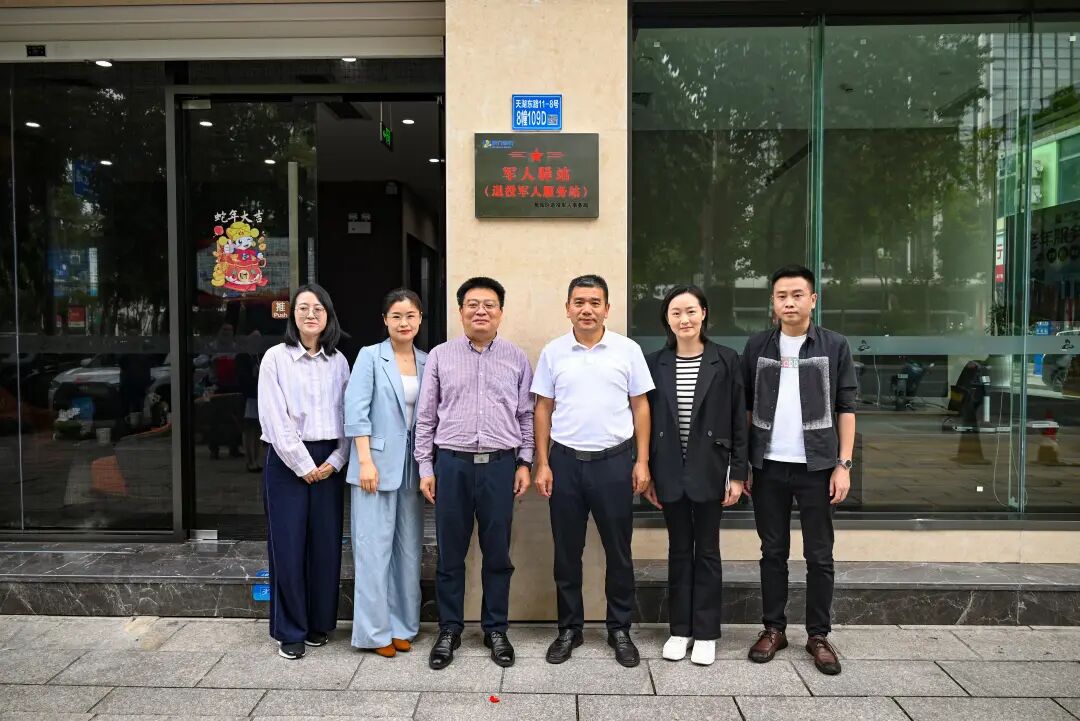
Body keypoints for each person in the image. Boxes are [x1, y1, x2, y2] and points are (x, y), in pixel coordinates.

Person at [532, 274, 654, 668]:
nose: (587, 309)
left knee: (618, 552)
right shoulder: (553, 352)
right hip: (565, 463)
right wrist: (542, 462)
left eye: (595, 302)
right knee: (567, 553)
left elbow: (641, 406)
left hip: (614, 463)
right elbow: (543, 408)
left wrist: (642, 460)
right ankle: (570, 629)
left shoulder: (627, 350)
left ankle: (620, 629)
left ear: (607, 308)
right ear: (568, 308)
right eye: (580, 302)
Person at [414, 277, 534, 670]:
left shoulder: (516, 358)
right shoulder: (440, 356)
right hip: (452, 466)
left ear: (501, 311)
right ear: (460, 310)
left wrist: (525, 462)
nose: (480, 311)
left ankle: (495, 629)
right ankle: (449, 629)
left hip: (500, 466)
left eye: (489, 304)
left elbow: (526, 416)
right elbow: (426, 417)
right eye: (472, 304)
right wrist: (426, 467)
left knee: (497, 553)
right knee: (450, 554)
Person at [742, 264, 857, 676]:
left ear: (812, 299)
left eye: (796, 295)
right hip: (769, 466)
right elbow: (747, 407)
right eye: (781, 296)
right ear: (773, 303)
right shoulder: (757, 346)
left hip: (818, 467)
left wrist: (843, 464)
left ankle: (818, 635)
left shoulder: (834, 345)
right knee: (772, 552)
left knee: (819, 554)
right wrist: (746, 463)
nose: (788, 302)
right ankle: (774, 629)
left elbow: (846, 408)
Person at [643, 285, 748, 666]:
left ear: (703, 313)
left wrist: (738, 474)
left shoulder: (726, 359)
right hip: (669, 470)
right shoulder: (654, 363)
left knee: (706, 550)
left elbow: (739, 419)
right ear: (667, 319)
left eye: (690, 311)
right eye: (676, 313)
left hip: (711, 469)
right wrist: (648, 472)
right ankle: (679, 630)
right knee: (678, 550)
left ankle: (705, 633)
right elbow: (644, 421)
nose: (684, 319)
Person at [258, 284, 350, 660]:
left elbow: (349, 415)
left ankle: (318, 624)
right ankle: (291, 630)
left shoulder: (339, 361)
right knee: (288, 546)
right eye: (303, 308)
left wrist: (338, 459)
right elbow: (273, 417)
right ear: (292, 315)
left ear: (328, 316)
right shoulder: (275, 359)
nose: (311, 314)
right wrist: (303, 464)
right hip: (287, 462)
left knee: (325, 546)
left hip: (329, 462)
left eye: (318, 308)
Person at [344, 289, 427, 658]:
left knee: (407, 551)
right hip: (374, 466)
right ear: (385, 320)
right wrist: (364, 460)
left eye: (410, 315)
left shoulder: (428, 360)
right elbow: (356, 411)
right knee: (373, 551)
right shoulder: (369, 356)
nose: (404, 322)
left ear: (420, 319)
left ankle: (402, 626)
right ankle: (374, 632)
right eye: (396, 316)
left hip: (412, 468)